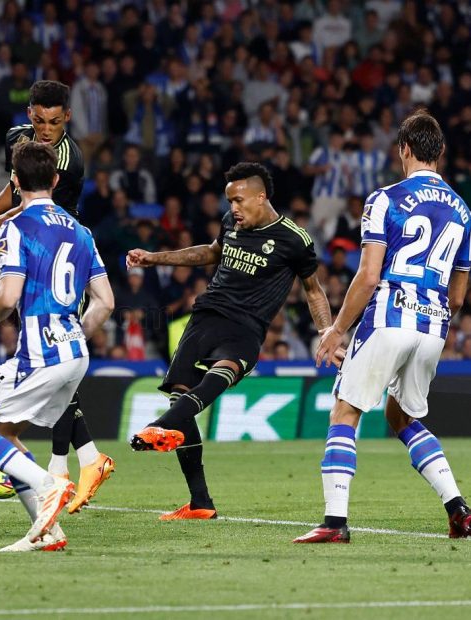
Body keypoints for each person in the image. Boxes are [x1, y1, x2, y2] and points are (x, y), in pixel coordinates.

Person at [294, 111, 471, 543]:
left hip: (390, 313)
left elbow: (369, 275)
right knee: (403, 416)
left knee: (345, 410)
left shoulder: (384, 198)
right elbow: (459, 296)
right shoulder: (464, 210)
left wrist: (337, 329)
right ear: (441, 153)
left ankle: (335, 523)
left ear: (404, 150)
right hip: (433, 326)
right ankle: (459, 510)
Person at [125, 162, 333, 520]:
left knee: (225, 368)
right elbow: (209, 252)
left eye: (239, 200)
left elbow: (313, 291)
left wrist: (327, 333)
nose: (233, 208)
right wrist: (154, 258)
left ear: (260, 196)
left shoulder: (293, 239)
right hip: (206, 316)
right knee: (179, 390)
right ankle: (201, 502)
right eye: (229, 201)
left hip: (247, 325)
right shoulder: (230, 223)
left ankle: (161, 425)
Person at [0, 80, 113, 514]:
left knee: (49, 358)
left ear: (68, 119)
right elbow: (13, 188)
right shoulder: (18, 140)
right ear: (30, 113)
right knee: (52, 374)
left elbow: (26, 204)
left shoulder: (68, 161)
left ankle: (72, 465)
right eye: (38, 119)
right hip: (45, 242)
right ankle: (73, 464)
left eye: (55, 122)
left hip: (58, 247)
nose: (45, 129)